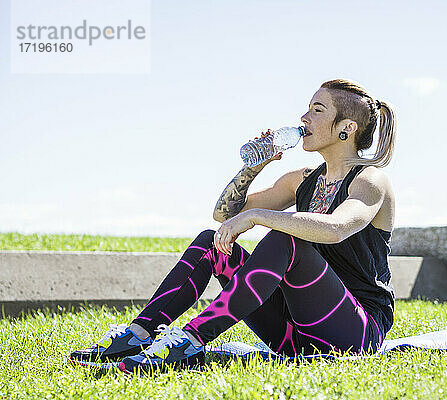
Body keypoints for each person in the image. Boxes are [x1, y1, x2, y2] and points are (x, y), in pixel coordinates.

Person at [69, 78, 397, 374]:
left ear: (347, 127)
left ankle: (190, 341)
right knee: (211, 242)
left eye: (317, 109)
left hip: (356, 334)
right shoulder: (303, 180)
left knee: (287, 239)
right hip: (292, 336)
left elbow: (337, 228)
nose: (304, 118)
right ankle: (139, 334)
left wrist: (258, 218)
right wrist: (253, 168)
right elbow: (225, 215)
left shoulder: (371, 180)